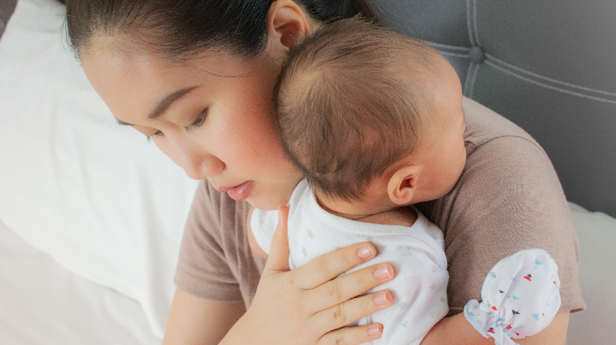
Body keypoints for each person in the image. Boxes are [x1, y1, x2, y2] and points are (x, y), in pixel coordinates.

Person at [66, 0, 586, 344]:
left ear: (288, 34)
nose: (192, 167)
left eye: (195, 118)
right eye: (153, 135)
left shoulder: (489, 180)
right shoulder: (239, 186)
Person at [248, 17, 465, 344]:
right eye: (461, 132)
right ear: (405, 185)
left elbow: (257, 236)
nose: (469, 137)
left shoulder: (299, 202)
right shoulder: (405, 262)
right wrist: (490, 317)